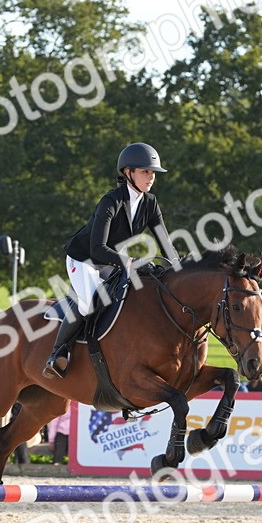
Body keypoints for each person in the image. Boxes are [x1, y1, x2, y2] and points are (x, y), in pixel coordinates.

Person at [44, 142, 182, 378]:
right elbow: (97, 249)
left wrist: (179, 267)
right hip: (84, 258)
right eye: (145, 172)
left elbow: (165, 242)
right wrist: (130, 262)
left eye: (153, 173)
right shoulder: (111, 201)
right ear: (128, 172)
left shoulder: (150, 203)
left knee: (133, 293)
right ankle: (58, 353)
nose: (151, 177)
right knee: (88, 303)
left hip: (110, 261)